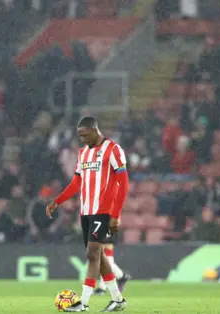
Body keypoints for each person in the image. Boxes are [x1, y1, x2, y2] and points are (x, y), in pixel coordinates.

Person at [46, 116, 129, 312]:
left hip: (104, 211)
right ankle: (118, 300)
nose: (82, 139)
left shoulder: (113, 150)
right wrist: (57, 201)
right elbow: (76, 183)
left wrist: (115, 214)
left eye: (85, 135)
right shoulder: (83, 153)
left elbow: (123, 184)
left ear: (95, 130)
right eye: (80, 136)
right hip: (86, 212)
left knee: (92, 254)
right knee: (98, 256)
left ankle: (83, 303)